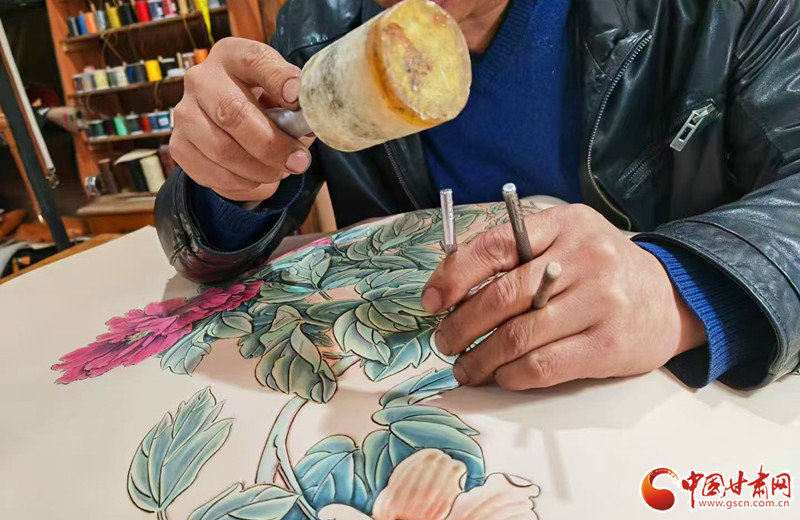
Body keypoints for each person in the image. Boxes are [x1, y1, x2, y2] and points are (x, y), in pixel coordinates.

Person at [155, 0, 800, 391]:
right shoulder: (318, 23)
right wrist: (226, 181)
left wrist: (678, 291)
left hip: (655, 409)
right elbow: (211, 252)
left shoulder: (721, 14)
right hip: (406, 388)